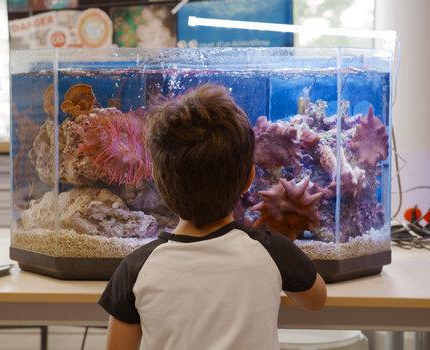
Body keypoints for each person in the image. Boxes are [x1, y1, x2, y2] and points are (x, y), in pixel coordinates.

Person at [99, 84, 327, 350]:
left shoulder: (135, 269)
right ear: (249, 180)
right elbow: (316, 300)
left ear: (159, 184)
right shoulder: (272, 251)